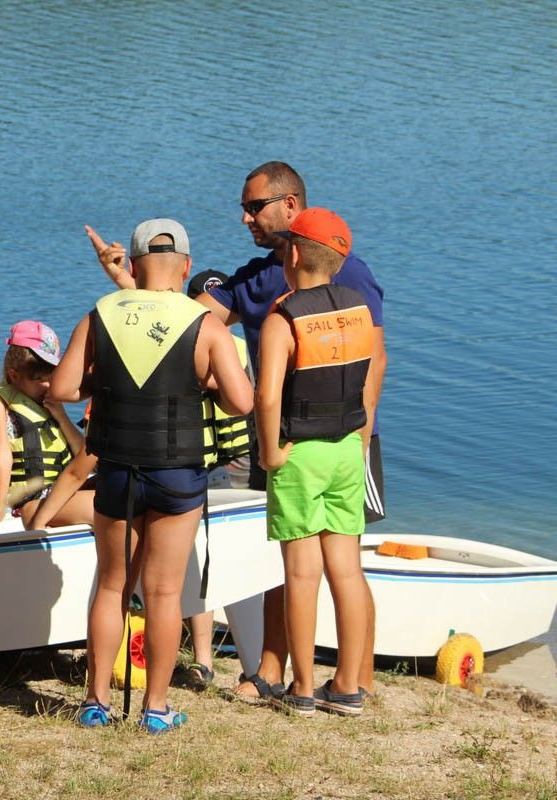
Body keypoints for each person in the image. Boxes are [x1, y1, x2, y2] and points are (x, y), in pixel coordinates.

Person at [51, 220, 253, 734]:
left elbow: (65, 387)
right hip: (177, 472)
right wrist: (204, 381)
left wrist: (112, 383)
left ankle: (96, 702)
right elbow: (242, 402)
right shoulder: (204, 323)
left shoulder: (99, 315)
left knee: (113, 586)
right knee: (164, 594)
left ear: (135, 266)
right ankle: (156, 708)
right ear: (185, 266)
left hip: (117, 468)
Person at [198, 161, 385, 703]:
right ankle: (276, 671)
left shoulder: (348, 273)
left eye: (255, 207)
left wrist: (361, 433)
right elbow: (194, 319)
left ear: (290, 207)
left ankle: (356, 677)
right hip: (292, 438)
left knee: (327, 562)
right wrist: (132, 288)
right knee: (294, 557)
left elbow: (377, 358)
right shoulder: (259, 276)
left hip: (342, 436)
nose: (245, 218)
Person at [256, 208, 373, 716]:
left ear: (295, 254)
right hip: (348, 446)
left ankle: (302, 687)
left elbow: (267, 396)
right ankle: (348, 683)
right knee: (346, 569)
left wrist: (268, 451)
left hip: (299, 453)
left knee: (302, 574)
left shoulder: (284, 318)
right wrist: (361, 439)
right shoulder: (360, 308)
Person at [0, 320, 92, 529]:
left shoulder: (49, 403)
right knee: (106, 506)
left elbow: (81, 455)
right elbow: (2, 455)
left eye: (52, 378)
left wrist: (61, 416)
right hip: (32, 499)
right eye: (41, 380)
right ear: (14, 375)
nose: (49, 385)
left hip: (62, 491)